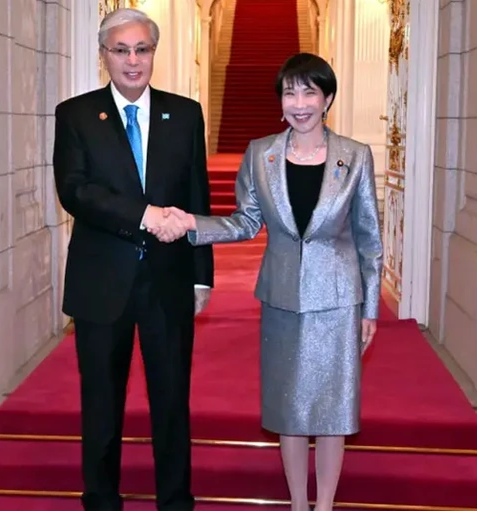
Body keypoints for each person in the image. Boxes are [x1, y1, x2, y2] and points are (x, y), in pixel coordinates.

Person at [151, 53, 383, 511]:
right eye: (290, 93)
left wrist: (370, 308)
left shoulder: (355, 156)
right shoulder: (262, 154)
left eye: (309, 93)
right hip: (281, 297)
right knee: (287, 408)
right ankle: (298, 503)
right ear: (280, 101)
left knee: (334, 412)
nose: (299, 104)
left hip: (339, 300)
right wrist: (193, 223)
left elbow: (369, 238)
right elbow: (245, 222)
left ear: (327, 99)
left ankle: (325, 504)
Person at [52, 8, 213, 511]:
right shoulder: (76, 115)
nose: (133, 60)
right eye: (121, 50)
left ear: (153, 53)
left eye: (142, 49)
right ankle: (101, 500)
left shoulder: (184, 114)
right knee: (102, 402)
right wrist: (145, 215)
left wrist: (201, 277)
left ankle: (176, 501)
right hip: (102, 281)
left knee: (172, 401)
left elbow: (198, 196)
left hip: (169, 279)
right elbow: (75, 192)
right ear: (104, 54)